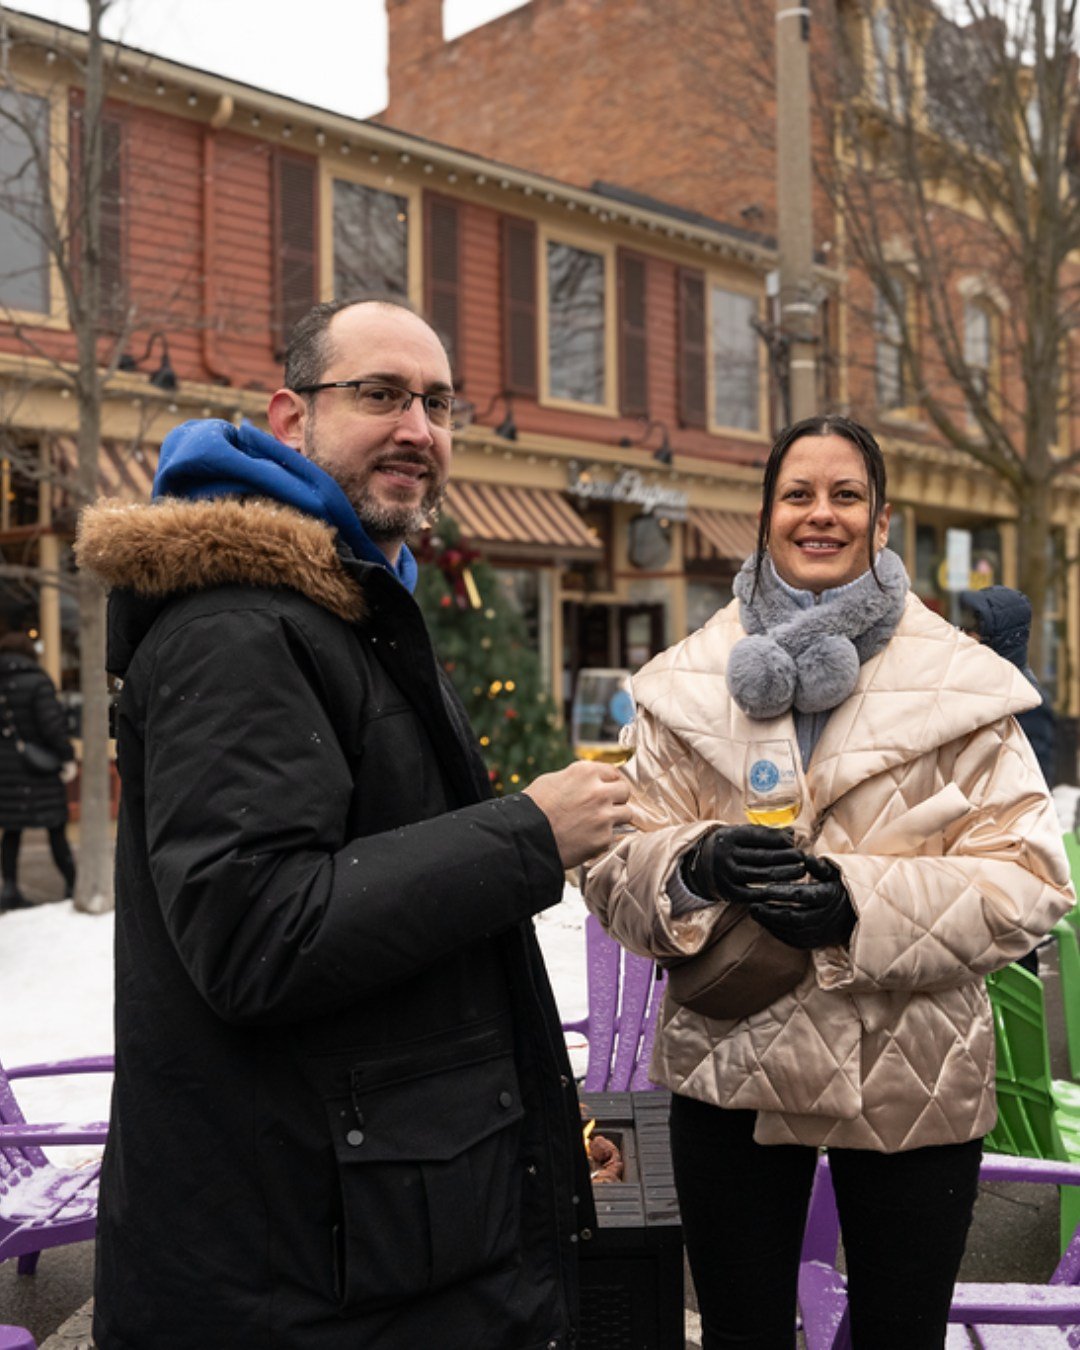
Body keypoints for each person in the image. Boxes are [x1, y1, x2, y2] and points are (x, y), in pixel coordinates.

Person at [75, 297, 630, 1349]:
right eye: (379, 394)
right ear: (291, 418)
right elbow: (255, 934)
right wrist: (528, 835)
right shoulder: (239, 625)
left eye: (438, 402)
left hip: (374, 1239)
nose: (417, 428)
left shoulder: (348, 609)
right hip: (308, 1272)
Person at [584, 413, 1074, 1350]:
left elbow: (1031, 879)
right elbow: (612, 862)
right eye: (797, 494)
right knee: (740, 1335)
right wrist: (691, 864)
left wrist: (860, 903)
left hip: (915, 1063)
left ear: (882, 523)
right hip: (730, 1062)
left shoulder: (964, 686)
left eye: (846, 495)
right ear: (765, 516)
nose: (822, 514)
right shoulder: (684, 682)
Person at [0, 631, 77, 910]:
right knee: (55, 826)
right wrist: (67, 758)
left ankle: (9, 889)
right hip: (38, 769)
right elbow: (52, 727)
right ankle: (72, 883)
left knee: (11, 831)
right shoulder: (37, 682)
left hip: (5, 773)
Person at [959, 584, 1056, 785]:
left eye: (973, 627)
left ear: (998, 638)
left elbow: (1032, 784)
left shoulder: (1026, 700)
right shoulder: (973, 687)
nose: (962, 633)